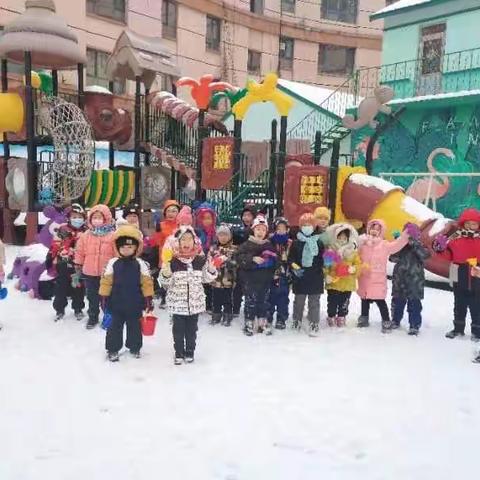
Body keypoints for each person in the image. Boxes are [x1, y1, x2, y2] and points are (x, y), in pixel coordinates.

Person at [160, 226, 217, 364]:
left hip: (195, 304)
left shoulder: (200, 260)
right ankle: (178, 352)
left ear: (195, 242)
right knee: (178, 331)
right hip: (177, 304)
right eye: (183, 240)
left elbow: (206, 279)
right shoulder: (173, 261)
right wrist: (166, 272)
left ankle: (190, 351)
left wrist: (211, 269)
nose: (186, 242)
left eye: (189, 239)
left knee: (192, 331)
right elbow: (164, 283)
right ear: (177, 243)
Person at [100, 225, 154, 362]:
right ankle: (113, 349)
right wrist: (103, 297)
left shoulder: (140, 264)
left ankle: (134, 347)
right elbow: (106, 281)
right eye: (123, 247)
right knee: (114, 328)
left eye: (129, 247)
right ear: (117, 247)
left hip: (135, 304)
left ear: (136, 247)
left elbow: (147, 282)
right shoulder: (113, 263)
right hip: (115, 303)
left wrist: (148, 299)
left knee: (135, 327)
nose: (126, 250)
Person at [433, 208, 480, 341]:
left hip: (476, 272)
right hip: (457, 271)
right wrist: (439, 246)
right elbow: (446, 254)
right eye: (468, 223)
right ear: (463, 223)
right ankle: (458, 328)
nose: (471, 226)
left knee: (476, 304)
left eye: (474, 224)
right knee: (459, 302)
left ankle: (477, 331)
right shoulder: (455, 237)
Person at [357, 219, 409, 332]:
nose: (374, 231)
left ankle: (386, 320)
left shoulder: (384, 245)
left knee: (380, 300)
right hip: (364, 277)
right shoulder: (363, 243)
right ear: (368, 229)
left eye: (378, 229)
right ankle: (364, 317)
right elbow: (354, 253)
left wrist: (405, 236)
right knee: (364, 298)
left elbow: (397, 245)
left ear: (381, 231)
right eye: (372, 228)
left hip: (378, 278)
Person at [74, 204, 115, 329]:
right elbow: (80, 251)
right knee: (92, 296)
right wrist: (78, 264)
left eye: (99, 217)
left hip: (106, 273)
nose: (96, 220)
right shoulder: (86, 235)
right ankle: (93, 316)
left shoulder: (113, 235)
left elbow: (116, 253)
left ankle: (108, 316)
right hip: (90, 272)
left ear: (106, 218)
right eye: (94, 217)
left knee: (107, 296)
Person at [236, 215, 277, 336]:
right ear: (253, 230)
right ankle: (249, 322)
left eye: (263, 229)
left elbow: (276, 260)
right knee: (250, 301)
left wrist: (272, 265)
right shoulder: (246, 244)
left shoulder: (269, 245)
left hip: (265, 280)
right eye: (258, 229)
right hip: (250, 280)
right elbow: (238, 257)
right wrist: (252, 258)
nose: (260, 232)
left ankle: (262, 322)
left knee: (263, 301)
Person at [47, 203, 87, 321]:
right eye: (74, 217)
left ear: (84, 218)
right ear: (69, 218)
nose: (77, 219)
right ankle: (59, 309)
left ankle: (78, 308)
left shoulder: (86, 232)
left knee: (78, 287)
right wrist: (50, 257)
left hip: (79, 265)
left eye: (79, 217)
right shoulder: (63, 229)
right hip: (63, 263)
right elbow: (55, 244)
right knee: (61, 288)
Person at [390, 223, 430, 336]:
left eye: (412, 233)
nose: (409, 236)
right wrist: (398, 243)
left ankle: (414, 325)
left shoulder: (420, 245)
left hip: (415, 281)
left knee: (414, 304)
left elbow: (425, 255)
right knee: (397, 302)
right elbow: (392, 258)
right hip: (399, 278)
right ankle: (395, 320)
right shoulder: (399, 244)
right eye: (407, 233)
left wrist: (414, 243)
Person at [288, 213, 325, 336]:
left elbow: (323, 259)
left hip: (316, 276)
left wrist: (329, 262)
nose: (307, 227)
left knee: (314, 302)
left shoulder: (319, 242)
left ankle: (314, 322)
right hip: (300, 276)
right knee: (299, 301)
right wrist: (295, 267)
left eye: (309, 225)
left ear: (314, 226)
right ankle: (296, 320)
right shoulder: (296, 242)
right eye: (304, 225)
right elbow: (291, 258)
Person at [323, 223, 361, 327]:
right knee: (332, 303)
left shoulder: (353, 252)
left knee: (344, 303)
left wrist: (354, 269)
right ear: (336, 237)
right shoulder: (330, 251)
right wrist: (327, 276)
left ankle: (341, 316)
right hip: (334, 283)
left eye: (344, 237)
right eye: (340, 237)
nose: (342, 239)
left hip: (347, 283)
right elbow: (326, 266)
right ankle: (331, 316)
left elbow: (358, 265)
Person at [152, 200, 181, 306]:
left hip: (178, 255)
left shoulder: (181, 225)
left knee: (177, 276)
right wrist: (158, 232)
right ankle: (164, 297)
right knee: (165, 276)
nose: (171, 213)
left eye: (174, 211)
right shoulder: (161, 225)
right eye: (168, 211)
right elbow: (157, 242)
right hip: (164, 256)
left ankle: (176, 297)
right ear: (164, 213)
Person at [209, 224, 237, 326]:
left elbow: (236, 263)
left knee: (227, 299)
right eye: (221, 235)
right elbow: (209, 262)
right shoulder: (213, 248)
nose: (223, 237)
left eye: (225, 235)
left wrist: (227, 262)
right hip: (216, 280)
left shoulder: (233, 249)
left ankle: (227, 315)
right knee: (216, 298)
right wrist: (213, 263)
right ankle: (216, 314)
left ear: (230, 236)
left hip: (228, 280)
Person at [232, 205, 257, 316]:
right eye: (244, 215)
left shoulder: (258, 229)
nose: (246, 218)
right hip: (241, 261)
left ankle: (251, 308)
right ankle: (235, 308)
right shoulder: (238, 230)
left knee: (251, 288)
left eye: (249, 215)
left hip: (253, 262)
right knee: (238, 286)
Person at [267, 217, 291, 330]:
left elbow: (293, 258)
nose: (281, 230)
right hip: (271, 275)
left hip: (285, 276)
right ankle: (268, 316)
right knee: (270, 297)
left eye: (283, 228)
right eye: (278, 228)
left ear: (287, 229)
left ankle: (281, 318)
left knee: (283, 298)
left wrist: (293, 268)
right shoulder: (270, 242)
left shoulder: (290, 243)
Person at [195, 202, 217, 312]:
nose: (207, 221)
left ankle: (209, 304)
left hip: (210, 260)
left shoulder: (214, 231)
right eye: (204, 218)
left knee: (209, 282)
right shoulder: (197, 231)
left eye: (209, 218)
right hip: (199, 259)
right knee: (200, 282)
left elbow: (216, 243)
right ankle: (200, 303)